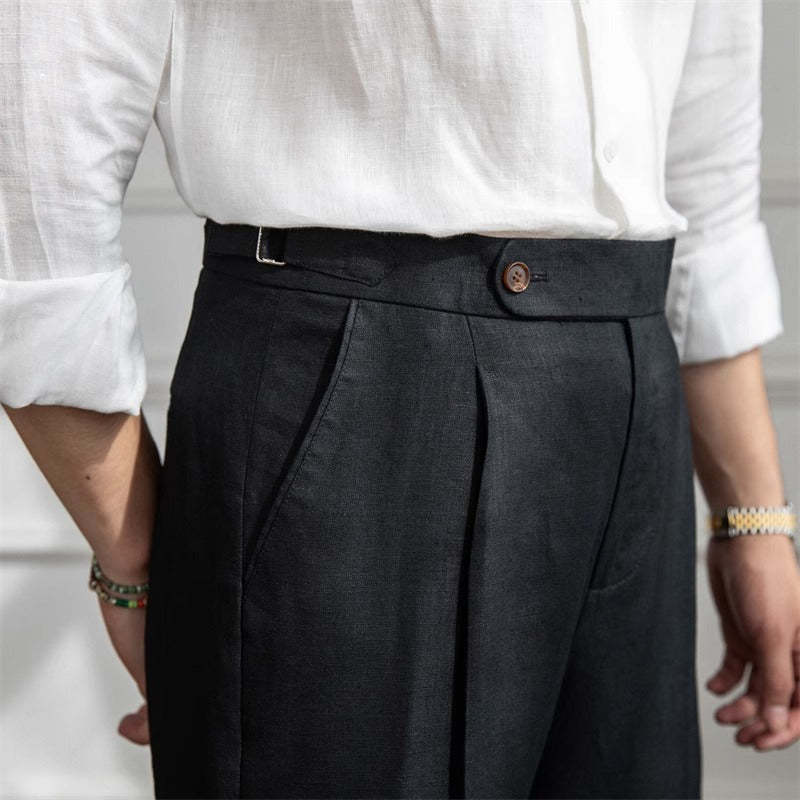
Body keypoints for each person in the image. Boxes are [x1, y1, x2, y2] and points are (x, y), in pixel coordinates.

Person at [1, 1, 798, 798]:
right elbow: (37, 167)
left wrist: (754, 518)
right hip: (351, 400)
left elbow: (707, 187)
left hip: (633, 402)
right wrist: (138, 562)